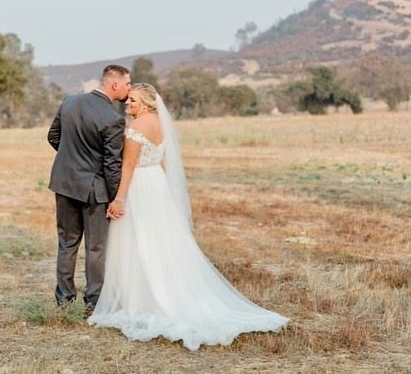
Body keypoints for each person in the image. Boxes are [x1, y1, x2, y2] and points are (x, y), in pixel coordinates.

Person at [88, 83, 289, 351]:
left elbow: (128, 166)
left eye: (133, 101)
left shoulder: (135, 129)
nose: (128, 104)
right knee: (162, 241)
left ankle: (144, 299)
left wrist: (120, 198)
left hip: (140, 187)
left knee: (140, 240)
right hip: (157, 185)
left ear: (146, 103)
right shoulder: (160, 123)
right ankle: (160, 290)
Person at [47, 64, 131, 311]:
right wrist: (117, 198)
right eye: (127, 84)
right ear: (115, 84)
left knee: (67, 243)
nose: (128, 88)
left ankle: (64, 300)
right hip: (94, 190)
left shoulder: (70, 102)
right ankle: (93, 302)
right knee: (95, 248)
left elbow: (53, 137)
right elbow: (112, 165)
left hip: (64, 183)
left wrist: (71, 161)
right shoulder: (114, 119)